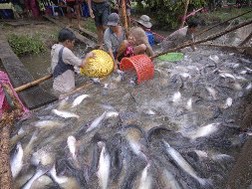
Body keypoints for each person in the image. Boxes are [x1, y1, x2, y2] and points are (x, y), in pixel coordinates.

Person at [51, 28, 94, 94]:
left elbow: (62, 64)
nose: (73, 45)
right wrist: (87, 56)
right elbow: (82, 64)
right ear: (67, 41)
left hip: (57, 86)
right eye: (73, 43)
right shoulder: (65, 51)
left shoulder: (55, 47)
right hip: (65, 89)